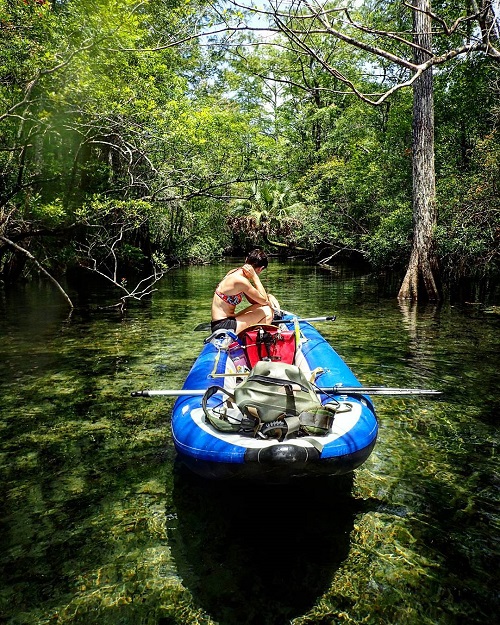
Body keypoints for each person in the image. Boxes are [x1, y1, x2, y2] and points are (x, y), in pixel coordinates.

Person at [211, 249, 279, 334]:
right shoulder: (240, 280)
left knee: (260, 306)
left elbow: (255, 301)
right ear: (260, 269)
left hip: (223, 321)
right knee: (268, 312)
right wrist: (255, 277)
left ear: (246, 260)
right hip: (224, 325)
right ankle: (257, 342)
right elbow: (264, 301)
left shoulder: (234, 272)